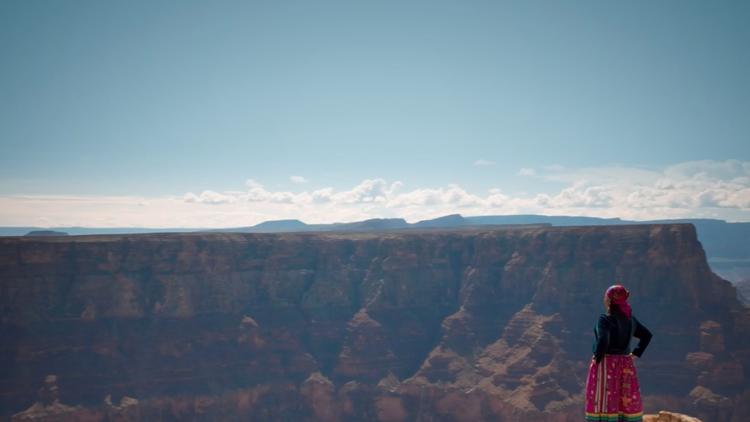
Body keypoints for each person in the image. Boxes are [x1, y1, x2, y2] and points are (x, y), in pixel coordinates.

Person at [585, 284, 652, 422]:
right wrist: (636, 353)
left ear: (609, 300)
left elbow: (603, 340)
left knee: (604, 397)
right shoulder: (631, 320)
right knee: (623, 398)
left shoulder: (605, 319)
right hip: (626, 364)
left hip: (607, 364)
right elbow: (647, 335)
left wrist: (597, 358)